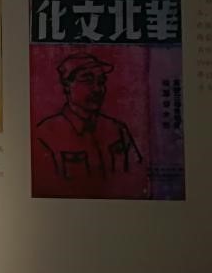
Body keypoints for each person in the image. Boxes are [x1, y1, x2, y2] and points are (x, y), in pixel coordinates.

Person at [33, 52, 141, 182]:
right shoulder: (44, 136)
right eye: (87, 81)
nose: (97, 89)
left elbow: (138, 177)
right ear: (67, 86)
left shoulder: (118, 130)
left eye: (101, 82)